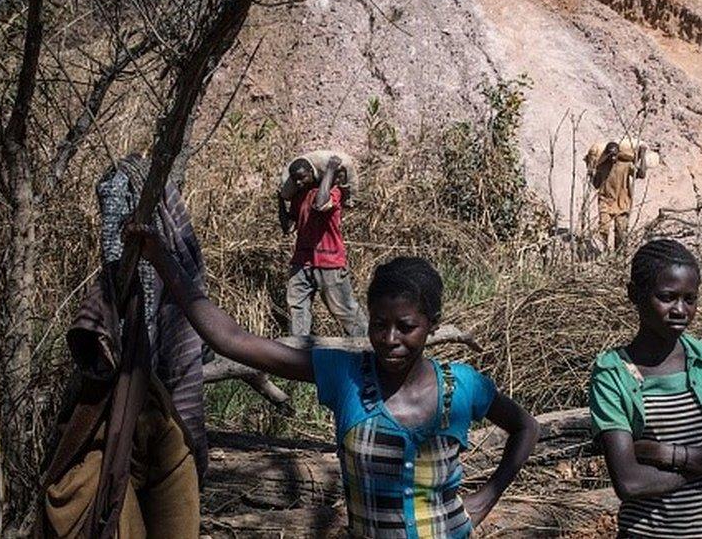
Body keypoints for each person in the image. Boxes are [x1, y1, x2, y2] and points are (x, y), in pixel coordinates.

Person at [125, 223, 541, 538]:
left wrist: (489, 495)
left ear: (432, 326)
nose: (390, 340)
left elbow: (527, 426)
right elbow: (232, 340)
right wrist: (162, 260)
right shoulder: (346, 376)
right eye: (379, 325)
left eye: (406, 327)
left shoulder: (462, 386)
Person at [588, 239, 702, 538]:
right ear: (634, 294)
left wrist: (672, 455)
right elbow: (630, 482)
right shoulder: (612, 374)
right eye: (667, 297)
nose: (680, 310)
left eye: (690, 299)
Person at [278, 150, 367, 337]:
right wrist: (280, 201)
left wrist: (330, 170)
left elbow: (321, 203)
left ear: (313, 174)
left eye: (302, 178)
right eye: (295, 180)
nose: (298, 183)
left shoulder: (333, 192)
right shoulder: (299, 197)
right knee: (297, 309)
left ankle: (367, 347)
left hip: (329, 261)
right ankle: (297, 354)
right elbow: (288, 228)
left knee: (344, 310)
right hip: (302, 261)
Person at [585, 141, 643, 252]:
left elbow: (641, 174)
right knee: (604, 228)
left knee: (621, 231)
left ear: (618, 153)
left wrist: (643, 155)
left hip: (622, 202)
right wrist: (591, 175)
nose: (612, 157)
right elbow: (596, 185)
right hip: (605, 201)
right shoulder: (602, 167)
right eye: (610, 155)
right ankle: (604, 251)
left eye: (614, 154)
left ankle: (618, 254)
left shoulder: (625, 165)